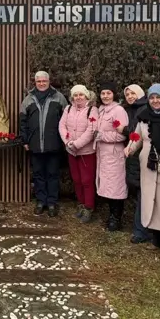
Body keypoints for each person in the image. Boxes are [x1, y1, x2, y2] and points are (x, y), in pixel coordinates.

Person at [125, 84, 160, 257]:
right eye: (152, 98)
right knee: (151, 202)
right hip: (147, 165)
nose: (155, 101)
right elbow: (137, 137)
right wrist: (130, 149)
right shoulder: (143, 116)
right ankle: (156, 240)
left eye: (159, 97)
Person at [19, 71, 68, 217]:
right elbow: (23, 122)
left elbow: (67, 121)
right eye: (38, 81)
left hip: (54, 145)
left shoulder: (59, 98)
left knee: (53, 174)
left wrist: (64, 139)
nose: (41, 83)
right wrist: (25, 140)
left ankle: (52, 203)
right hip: (34, 145)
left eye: (44, 81)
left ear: (49, 81)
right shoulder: (28, 99)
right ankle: (41, 201)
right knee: (39, 174)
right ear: (35, 82)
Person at [58, 85, 99, 223]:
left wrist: (77, 144)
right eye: (75, 95)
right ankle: (81, 204)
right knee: (76, 179)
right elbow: (62, 126)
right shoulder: (68, 109)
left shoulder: (92, 110)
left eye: (81, 95)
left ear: (87, 96)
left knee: (87, 181)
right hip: (71, 151)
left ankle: (88, 208)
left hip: (86, 152)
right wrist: (68, 142)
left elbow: (91, 130)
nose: (78, 97)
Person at [95, 82, 129, 231]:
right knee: (107, 186)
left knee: (116, 187)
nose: (105, 96)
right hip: (102, 154)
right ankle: (111, 215)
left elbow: (123, 135)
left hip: (114, 154)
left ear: (114, 94)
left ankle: (116, 218)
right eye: (103, 93)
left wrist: (102, 136)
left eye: (108, 93)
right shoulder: (101, 110)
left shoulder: (119, 110)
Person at [121, 84, 150, 244]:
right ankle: (142, 228)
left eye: (133, 93)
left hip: (142, 155)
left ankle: (141, 230)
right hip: (134, 155)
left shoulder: (143, 109)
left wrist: (123, 129)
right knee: (141, 193)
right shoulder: (130, 109)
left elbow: (135, 131)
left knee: (143, 194)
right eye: (128, 94)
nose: (130, 96)